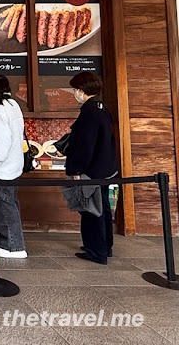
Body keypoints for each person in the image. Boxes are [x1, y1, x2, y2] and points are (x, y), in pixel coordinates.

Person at [66, 71, 118, 265]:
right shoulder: (102, 107)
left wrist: (76, 170)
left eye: (75, 89)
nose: (74, 93)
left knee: (91, 211)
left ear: (81, 90)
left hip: (92, 171)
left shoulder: (89, 111)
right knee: (102, 208)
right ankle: (105, 246)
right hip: (106, 169)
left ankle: (96, 251)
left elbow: (85, 145)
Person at [0, 71, 27, 258]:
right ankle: (5, 238)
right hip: (14, 164)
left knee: (5, 206)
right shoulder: (13, 105)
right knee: (10, 204)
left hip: (1, 167)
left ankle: (14, 245)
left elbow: (0, 143)